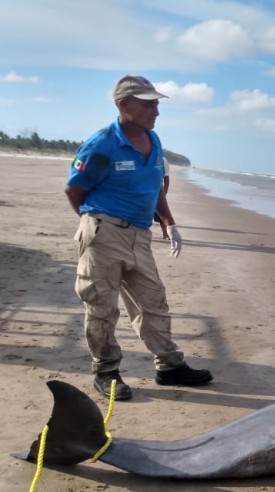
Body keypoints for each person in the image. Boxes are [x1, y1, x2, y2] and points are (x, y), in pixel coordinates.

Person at [64, 74, 214, 401]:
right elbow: (74, 189)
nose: (156, 110)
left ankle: (169, 366)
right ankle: (106, 372)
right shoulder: (102, 143)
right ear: (124, 105)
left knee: (153, 302)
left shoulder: (153, 139)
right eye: (148, 104)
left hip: (139, 235)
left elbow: (155, 182)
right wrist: (95, 225)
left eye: (157, 104)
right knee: (102, 307)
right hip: (104, 233)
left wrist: (168, 221)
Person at [153, 156, 170, 240]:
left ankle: (165, 233)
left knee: (161, 214)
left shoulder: (163, 160)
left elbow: (166, 178)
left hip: (157, 192)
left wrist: (164, 193)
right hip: (143, 192)